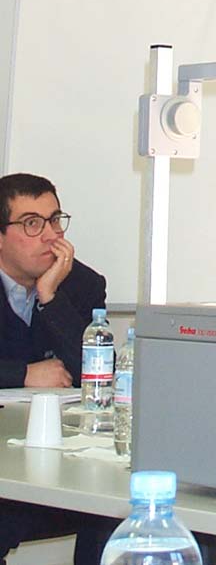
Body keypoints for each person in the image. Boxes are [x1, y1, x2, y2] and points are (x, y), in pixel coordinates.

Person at [0, 172, 118, 565]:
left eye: (55, 220)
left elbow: (97, 376)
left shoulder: (81, 283)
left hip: (59, 460)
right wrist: (23, 374)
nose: (51, 236)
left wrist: (50, 297)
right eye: (32, 223)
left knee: (114, 508)